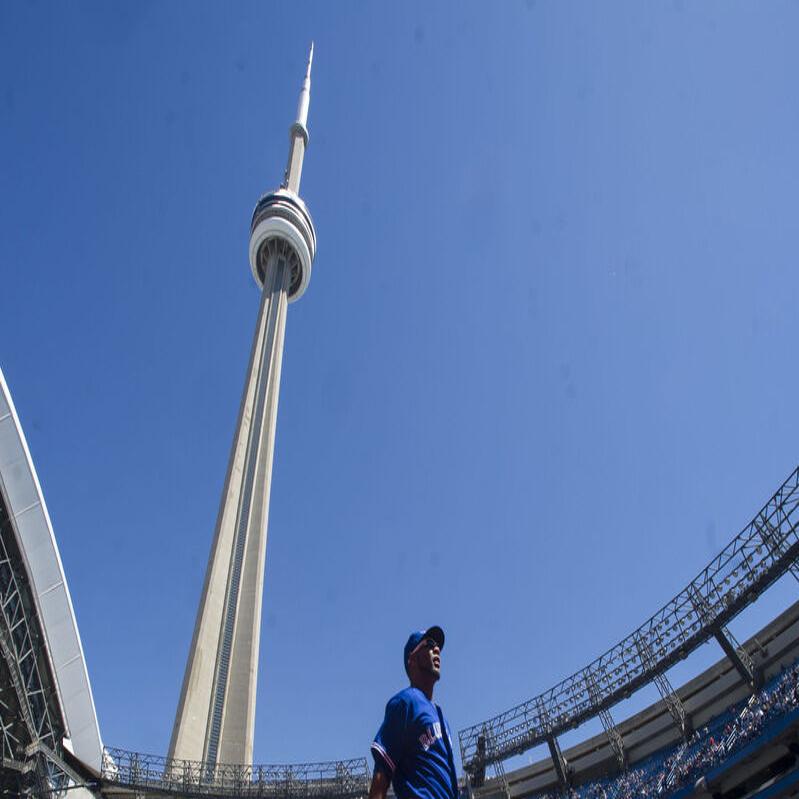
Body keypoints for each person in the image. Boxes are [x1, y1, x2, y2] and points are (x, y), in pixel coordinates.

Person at [369, 626, 459, 799]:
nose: (437, 649)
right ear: (412, 658)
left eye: (438, 646)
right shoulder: (405, 702)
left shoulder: (441, 716)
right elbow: (382, 772)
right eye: (430, 644)